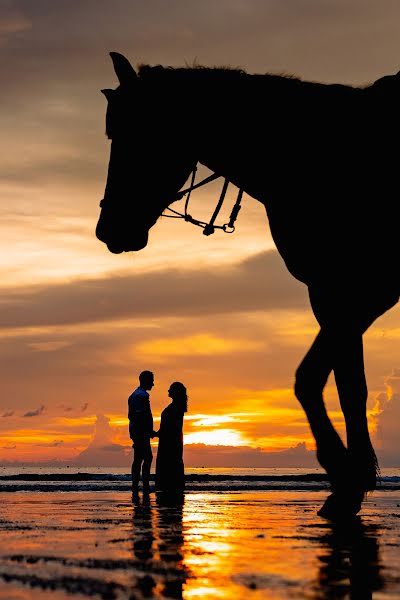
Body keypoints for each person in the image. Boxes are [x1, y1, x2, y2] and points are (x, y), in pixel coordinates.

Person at [155, 381, 188, 495]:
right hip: (171, 440)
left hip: (170, 442)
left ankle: (169, 491)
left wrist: (158, 433)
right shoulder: (177, 406)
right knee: (172, 465)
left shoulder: (176, 407)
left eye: (170, 389)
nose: (168, 391)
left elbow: (170, 427)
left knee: (169, 465)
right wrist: (158, 433)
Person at [128, 370, 156, 499]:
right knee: (147, 457)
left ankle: (136, 486)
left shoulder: (134, 395)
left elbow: (131, 416)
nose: (153, 384)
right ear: (145, 381)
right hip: (141, 432)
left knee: (138, 459)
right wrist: (148, 431)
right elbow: (142, 416)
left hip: (137, 431)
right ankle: (144, 485)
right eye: (151, 381)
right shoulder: (141, 396)